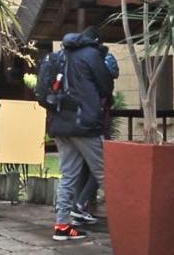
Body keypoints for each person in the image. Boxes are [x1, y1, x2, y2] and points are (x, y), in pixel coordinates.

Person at [45, 30, 114, 241]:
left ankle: (62, 226)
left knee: (68, 176)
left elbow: (44, 90)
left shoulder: (59, 56)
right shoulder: (92, 55)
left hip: (60, 125)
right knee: (107, 174)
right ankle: (127, 225)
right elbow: (106, 85)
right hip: (85, 125)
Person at [70, 29, 120, 224]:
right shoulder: (103, 58)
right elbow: (110, 80)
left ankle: (72, 210)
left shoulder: (73, 59)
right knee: (102, 165)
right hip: (96, 120)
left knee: (77, 167)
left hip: (75, 120)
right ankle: (81, 205)